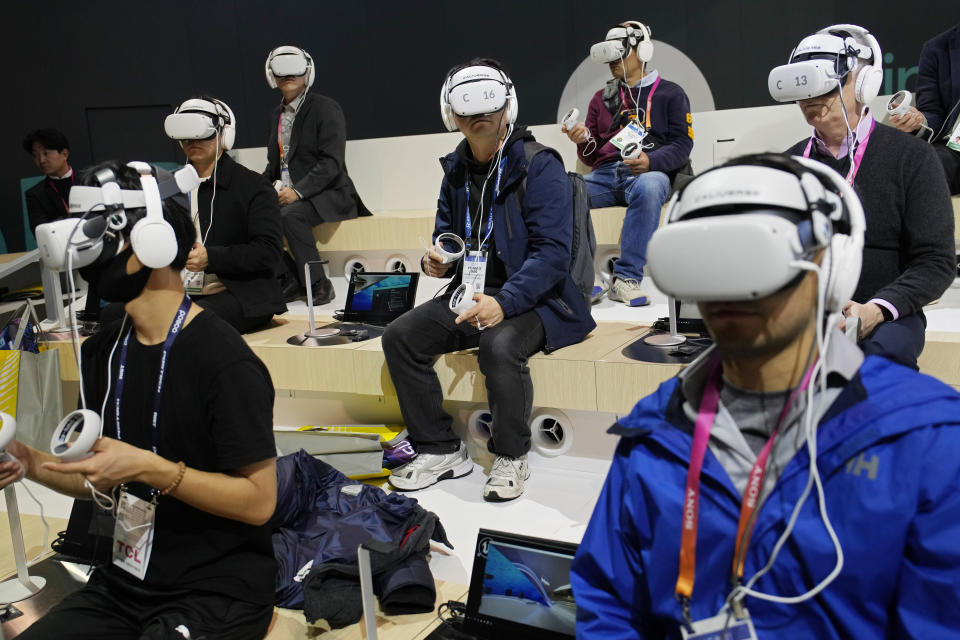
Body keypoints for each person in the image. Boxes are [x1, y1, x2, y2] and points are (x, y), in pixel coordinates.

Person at [571, 154, 960, 637]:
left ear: (831, 264)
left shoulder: (929, 441)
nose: (730, 289)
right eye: (707, 262)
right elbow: (607, 603)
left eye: (756, 257)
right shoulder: (654, 431)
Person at [2, 161, 278, 639]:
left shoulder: (224, 361)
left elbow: (258, 503)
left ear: (152, 242)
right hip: (124, 580)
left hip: (217, 591)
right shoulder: (104, 350)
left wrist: (148, 467)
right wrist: (28, 461)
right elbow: (101, 483)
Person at [382, 58, 595, 502]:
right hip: (474, 291)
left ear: (507, 108)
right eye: (467, 109)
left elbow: (553, 255)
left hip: (541, 298)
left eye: (488, 107)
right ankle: (439, 446)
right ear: (451, 115)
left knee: (499, 343)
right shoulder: (455, 170)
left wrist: (506, 302)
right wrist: (436, 263)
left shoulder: (540, 165)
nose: (479, 116)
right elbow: (449, 236)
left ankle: (511, 454)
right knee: (402, 335)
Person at [775, 24, 954, 369]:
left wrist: (876, 309)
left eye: (825, 86)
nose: (810, 99)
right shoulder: (789, 166)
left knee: (878, 365)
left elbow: (936, 261)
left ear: (866, 83)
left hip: (887, 315)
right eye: (804, 88)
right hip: (806, 312)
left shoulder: (911, 157)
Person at [562, 20, 693, 306]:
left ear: (642, 51)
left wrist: (651, 161)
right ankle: (583, 280)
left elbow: (683, 145)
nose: (612, 63)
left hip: (650, 171)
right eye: (609, 58)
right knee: (566, 189)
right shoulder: (602, 98)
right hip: (608, 173)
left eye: (619, 55)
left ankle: (626, 278)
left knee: (649, 186)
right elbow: (593, 156)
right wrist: (582, 140)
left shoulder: (671, 94)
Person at [164, 96, 286, 333]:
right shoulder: (170, 188)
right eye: (185, 134)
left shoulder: (253, 187)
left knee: (190, 322)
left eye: (202, 133)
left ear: (224, 134)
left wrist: (211, 257)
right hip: (180, 291)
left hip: (238, 295)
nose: (192, 140)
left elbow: (268, 251)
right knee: (121, 316)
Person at [263, 45, 370, 305]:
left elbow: (331, 163)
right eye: (282, 72)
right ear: (272, 76)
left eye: (294, 72)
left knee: (290, 215)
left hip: (327, 193)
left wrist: (297, 192)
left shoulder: (325, 108)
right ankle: (288, 277)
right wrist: (256, 190)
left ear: (307, 73)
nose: (288, 77)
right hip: (287, 193)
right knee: (250, 213)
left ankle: (317, 283)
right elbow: (273, 165)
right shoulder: (276, 115)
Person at [889, 23, 960, 195]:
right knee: (921, 163)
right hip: (955, 149)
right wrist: (919, 121)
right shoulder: (937, 49)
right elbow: (932, 111)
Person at [22, 128, 74, 233]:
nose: (41, 160)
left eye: (46, 153)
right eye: (35, 156)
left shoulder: (89, 180)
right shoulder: (35, 194)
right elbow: (41, 233)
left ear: (64, 154)